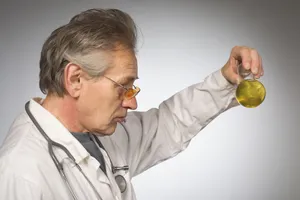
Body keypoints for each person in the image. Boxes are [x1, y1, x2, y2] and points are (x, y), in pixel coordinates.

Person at [0, 8, 264, 200]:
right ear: (75, 79)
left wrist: (226, 80)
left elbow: (169, 123)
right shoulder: (21, 173)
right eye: (123, 87)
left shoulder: (99, 131)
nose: (133, 101)